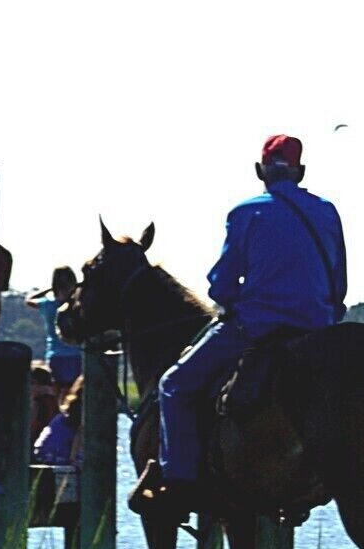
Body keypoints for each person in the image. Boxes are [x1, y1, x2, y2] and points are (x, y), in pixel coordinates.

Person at [132, 135, 346, 522]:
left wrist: (232, 299)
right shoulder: (327, 212)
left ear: (260, 171)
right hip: (318, 328)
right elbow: (339, 281)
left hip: (258, 326)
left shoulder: (245, 213)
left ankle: (179, 483)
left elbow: (222, 284)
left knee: (174, 386)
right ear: (300, 171)